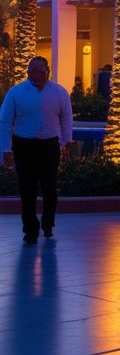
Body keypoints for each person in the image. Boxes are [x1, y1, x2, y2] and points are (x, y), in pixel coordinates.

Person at [0, 57, 73, 244]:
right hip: (24, 145)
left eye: (36, 70)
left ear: (45, 71)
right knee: (27, 188)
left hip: (49, 145)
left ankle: (48, 224)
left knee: (50, 186)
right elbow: (5, 122)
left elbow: (66, 119)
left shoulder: (59, 92)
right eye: (29, 70)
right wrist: (5, 149)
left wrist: (67, 141)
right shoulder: (16, 92)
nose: (31, 73)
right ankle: (30, 229)